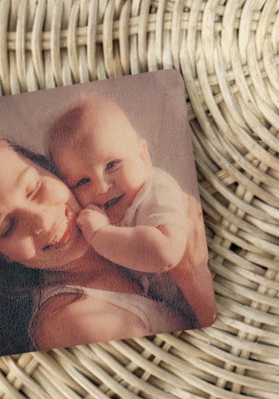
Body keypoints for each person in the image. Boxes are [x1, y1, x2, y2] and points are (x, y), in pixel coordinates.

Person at [0, 132, 200, 356]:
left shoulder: (126, 215)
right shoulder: (73, 320)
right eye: (7, 227)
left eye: (33, 187)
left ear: (47, 169)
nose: (39, 221)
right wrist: (192, 275)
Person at [46, 97, 216, 327]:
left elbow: (165, 253)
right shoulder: (110, 211)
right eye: (82, 181)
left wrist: (101, 233)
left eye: (112, 164)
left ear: (143, 156)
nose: (102, 188)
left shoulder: (156, 190)